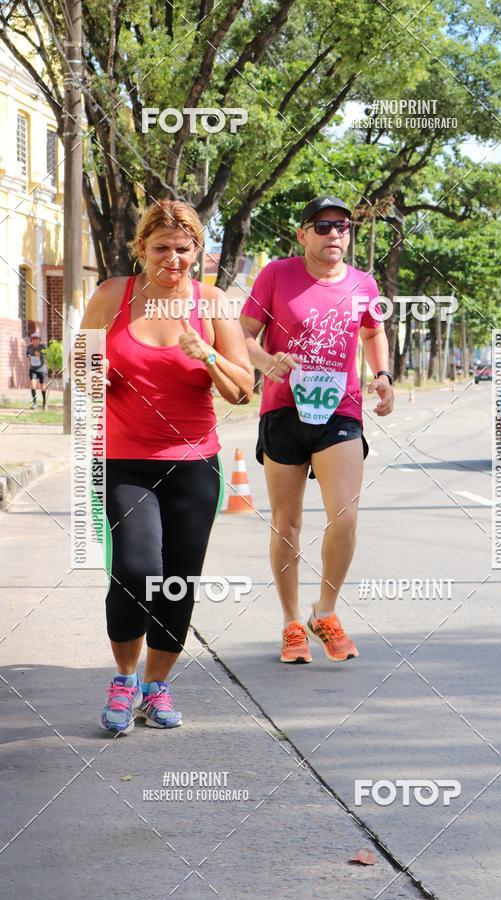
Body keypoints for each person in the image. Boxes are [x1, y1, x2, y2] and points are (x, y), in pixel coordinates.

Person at [79, 199, 254, 734]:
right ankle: (125, 680)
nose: (172, 259)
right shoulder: (114, 295)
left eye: (183, 249)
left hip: (193, 464)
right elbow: (80, 363)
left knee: (178, 580)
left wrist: (207, 354)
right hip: (123, 460)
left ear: (197, 251)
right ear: (141, 249)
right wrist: (95, 370)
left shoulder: (213, 303)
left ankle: (157, 688)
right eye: (161, 248)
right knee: (136, 571)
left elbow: (243, 389)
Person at [240, 196, 394, 664]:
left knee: (344, 518)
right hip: (284, 411)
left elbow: (372, 333)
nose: (334, 235)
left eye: (342, 227)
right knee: (287, 524)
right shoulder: (275, 276)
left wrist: (383, 375)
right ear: (302, 234)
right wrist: (267, 362)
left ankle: (324, 611)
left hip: (340, 413)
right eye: (323, 226)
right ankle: (290, 622)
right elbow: (242, 334)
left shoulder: (364, 284)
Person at [27, 332, 47, 409]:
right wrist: (29, 357)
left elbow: (45, 356)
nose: (35, 340)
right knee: (33, 384)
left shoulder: (43, 347)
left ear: (39, 339)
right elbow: (27, 354)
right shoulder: (29, 347)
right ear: (31, 340)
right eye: (33, 339)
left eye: (36, 338)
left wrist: (40, 355)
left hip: (41, 369)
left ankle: (44, 402)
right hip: (33, 369)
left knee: (42, 386)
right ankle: (34, 403)